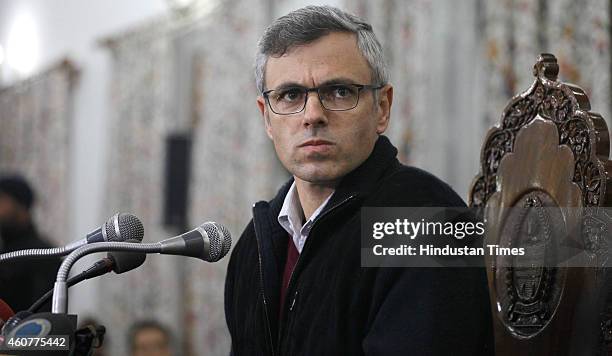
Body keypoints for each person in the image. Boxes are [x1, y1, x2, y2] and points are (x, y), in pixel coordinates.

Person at [224, 5, 493, 355]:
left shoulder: (428, 221)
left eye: (339, 92)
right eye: (291, 95)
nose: (313, 115)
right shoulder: (254, 244)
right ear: (267, 118)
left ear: (382, 108)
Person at [0, 174, 61, 312]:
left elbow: (44, 319)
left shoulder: (44, 255)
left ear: (20, 204)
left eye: (1, 199)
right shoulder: (4, 251)